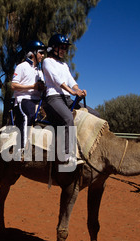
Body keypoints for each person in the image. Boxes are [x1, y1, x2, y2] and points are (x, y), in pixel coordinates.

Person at [42, 34, 99, 164]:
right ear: (53, 48)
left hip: (66, 98)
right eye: (61, 47)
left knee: (95, 114)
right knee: (68, 118)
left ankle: (91, 150)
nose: (63, 50)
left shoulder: (64, 65)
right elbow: (57, 80)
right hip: (53, 98)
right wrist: (72, 92)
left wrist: (78, 90)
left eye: (65, 48)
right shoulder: (47, 61)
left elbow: (71, 80)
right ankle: (67, 155)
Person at [11, 40, 46, 151]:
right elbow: (13, 85)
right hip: (23, 99)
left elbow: (41, 87)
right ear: (33, 53)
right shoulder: (21, 66)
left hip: (37, 100)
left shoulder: (39, 71)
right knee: (28, 114)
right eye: (41, 52)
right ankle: (22, 149)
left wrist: (42, 87)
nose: (43, 55)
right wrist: (32, 86)